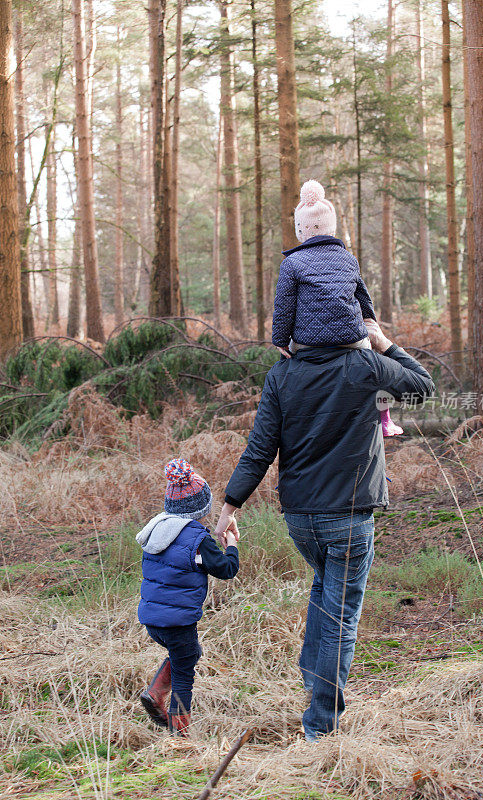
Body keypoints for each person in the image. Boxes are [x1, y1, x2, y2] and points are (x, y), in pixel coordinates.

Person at [215, 320, 434, 741]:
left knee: (324, 587)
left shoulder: (282, 373)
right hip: (349, 517)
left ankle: (313, 680)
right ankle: (320, 726)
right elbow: (423, 387)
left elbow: (260, 448)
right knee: (341, 618)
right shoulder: (367, 365)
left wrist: (229, 506)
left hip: (299, 518)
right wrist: (384, 343)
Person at [272, 178, 402, 437]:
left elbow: (284, 307)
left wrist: (280, 340)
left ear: (301, 230)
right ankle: (385, 418)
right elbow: (363, 298)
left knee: (288, 372)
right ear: (331, 228)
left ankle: (300, 418)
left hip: (308, 343)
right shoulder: (348, 258)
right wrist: (371, 327)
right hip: (352, 340)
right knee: (376, 366)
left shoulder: (292, 263)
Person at [137, 458, 239, 736]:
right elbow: (227, 570)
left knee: (188, 654)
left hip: (152, 619)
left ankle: (156, 692)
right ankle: (179, 734)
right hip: (178, 621)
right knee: (185, 674)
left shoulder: (156, 528)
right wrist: (231, 545)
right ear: (202, 507)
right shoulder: (197, 538)